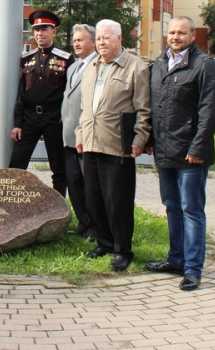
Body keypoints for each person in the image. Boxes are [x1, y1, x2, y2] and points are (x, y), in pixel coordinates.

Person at [146, 16, 215, 291]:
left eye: (181, 32)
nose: (175, 37)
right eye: (171, 32)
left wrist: (198, 147)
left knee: (191, 209)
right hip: (165, 150)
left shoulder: (205, 66)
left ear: (193, 35)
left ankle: (192, 269)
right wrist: (149, 140)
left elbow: (210, 112)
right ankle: (175, 259)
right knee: (172, 207)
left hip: (191, 153)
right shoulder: (158, 65)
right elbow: (153, 107)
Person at [76, 20, 151, 272]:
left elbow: (144, 109)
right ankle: (104, 243)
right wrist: (80, 133)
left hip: (118, 144)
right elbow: (85, 107)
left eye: (106, 38)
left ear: (119, 39)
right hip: (90, 143)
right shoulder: (92, 66)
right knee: (94, 197)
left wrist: (140, 139)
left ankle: (122, 250)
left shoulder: (135, 67)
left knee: (117, 200)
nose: (101, 42)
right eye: (98, 38)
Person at [10, 9, 70, 195]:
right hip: (29, 119)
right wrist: (17, 124)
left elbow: (68, 93)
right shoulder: (26, 59)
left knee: (59, 167)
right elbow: (21, 93)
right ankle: (13, 203)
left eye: (44, 29)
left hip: (54, 119)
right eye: (36, 30)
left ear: (54, 31)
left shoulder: (65, 59)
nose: (39, 33)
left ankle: (59, 207)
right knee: (16, 164)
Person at [61, 24, 97, 239]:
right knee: (74, 183)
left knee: (89, 185)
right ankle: (83, 223)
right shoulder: (73, 68)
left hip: (86, 136)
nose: (76, 43)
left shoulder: (98, 66)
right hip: (68, 135)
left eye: (81, 40)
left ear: (92, 42)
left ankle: (94, 226)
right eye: (74, 40)